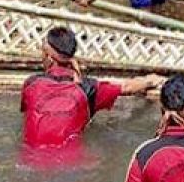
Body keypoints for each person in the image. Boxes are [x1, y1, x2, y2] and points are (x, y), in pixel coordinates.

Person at [20, 26, 162, 149]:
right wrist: (150, 81)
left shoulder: (31, 84)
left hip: (30, 156)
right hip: (73, 161)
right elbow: (127, 87)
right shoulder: (89, 89)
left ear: (48, 56)